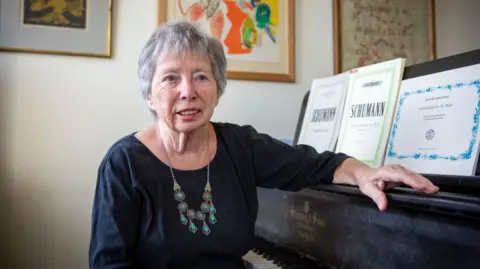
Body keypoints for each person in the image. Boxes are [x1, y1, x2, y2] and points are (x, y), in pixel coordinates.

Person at [88, 22, 439, 269]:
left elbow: (319, 164)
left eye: (201, 76)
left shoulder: (241, 145)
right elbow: (109, 263)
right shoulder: (124, 163)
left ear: (218, 88)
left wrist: (366, 173)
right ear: (149, 94)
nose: (187, 91)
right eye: (170, 78)